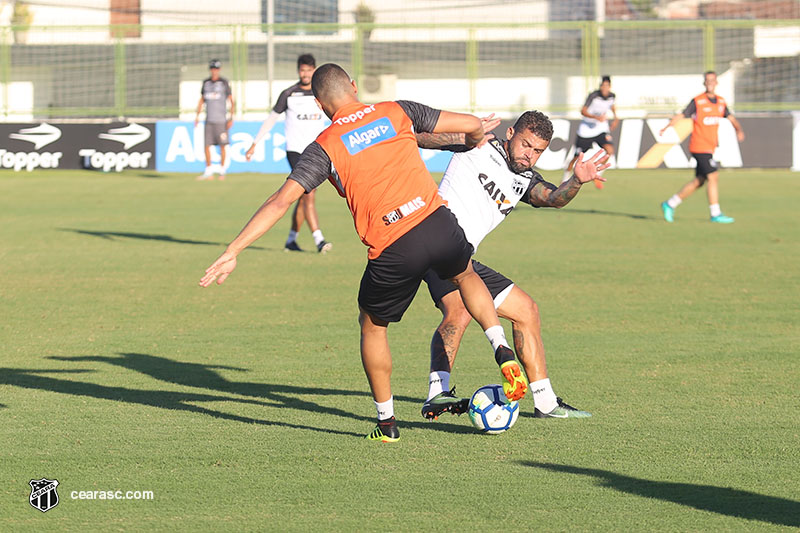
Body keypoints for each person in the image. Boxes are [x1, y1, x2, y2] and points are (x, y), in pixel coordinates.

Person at [200, 63, 528, 443]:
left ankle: (387, 424)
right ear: (354, 86)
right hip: (437, 222)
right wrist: (472, 137)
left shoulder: (324, 145)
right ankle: (500, 347)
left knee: (373, 325)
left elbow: (279, 202)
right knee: (466, 274)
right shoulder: (396, 110)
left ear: (320, 105)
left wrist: (233, 250)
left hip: (393, 245)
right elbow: (471, 124)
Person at [415, 111, 607, 420]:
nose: (529, 155)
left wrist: (576, 181)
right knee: (459, 312)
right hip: (434, 245)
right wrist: (462, 136)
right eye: (525, 145)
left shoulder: (525, 178)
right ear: (510, 134)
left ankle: (545, 402)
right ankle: (437, 393)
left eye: (537, 151)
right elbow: (420, 137)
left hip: (464, 259)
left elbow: (553, 198)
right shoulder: (478, 145)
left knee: (526, 310)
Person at [246, 54, 332, 253]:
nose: (305, 74)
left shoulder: (322, 93)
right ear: (298, 71)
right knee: (308, 195)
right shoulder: (289, 94)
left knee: (302, 196)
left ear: (314, 70)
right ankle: (319, 240)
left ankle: (291, 240)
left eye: (309, 70)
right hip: (296, 151)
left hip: (318, 150)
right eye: (302, 70)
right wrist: (254, 143)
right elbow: (271, 119)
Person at [659, 71, 745, 224]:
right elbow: (682, 115)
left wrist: (739, 130)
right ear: (704, 83)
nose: (710, 83)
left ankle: (670, 204)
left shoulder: (721, 102)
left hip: (710, 148)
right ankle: (715, 213)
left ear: (716, 82)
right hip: (699, 147)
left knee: (699, 181)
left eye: (713, 80)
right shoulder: (698, 101)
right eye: (707, 80)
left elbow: (731, 118)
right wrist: (667, 127)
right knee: (713, 176)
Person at [564, 75, 618, 189]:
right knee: (576, 157)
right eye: (603, 86)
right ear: (600, 86)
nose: (605, 88)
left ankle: (597, 176)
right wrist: (595, 117)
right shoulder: (593, 96)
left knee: (610, 150)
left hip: (601, 129)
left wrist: (616, 117)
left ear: (610, 87)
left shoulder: (612, 96)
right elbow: (583, 111)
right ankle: (565, 177)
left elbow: (611, 105)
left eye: (607, 86)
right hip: (586, 130)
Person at [195, 59, 234, 181]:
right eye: (212, 68)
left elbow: (231, 101)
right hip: (209, 120)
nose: (214, 71)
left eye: (216, 69)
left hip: (221, 120)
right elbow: (202, 100)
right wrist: (197, 115)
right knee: (207, 145)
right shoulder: (206, 83)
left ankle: (222, 170)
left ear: (219, 69)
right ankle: (208, 170)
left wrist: (231, 117)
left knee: (222, 145)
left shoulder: (224, 83)